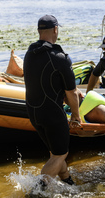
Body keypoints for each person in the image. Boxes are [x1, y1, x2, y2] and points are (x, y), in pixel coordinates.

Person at [24, 15, 82, 186]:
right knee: (60, 154)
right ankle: (37, 192)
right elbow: (71, 92)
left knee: (55, 152)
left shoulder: (29, 53)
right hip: (52, 114)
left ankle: (69, 184)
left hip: (33, 113)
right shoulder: (59, 57)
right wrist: (76, 116)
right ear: (56, 29)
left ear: (38, 31)